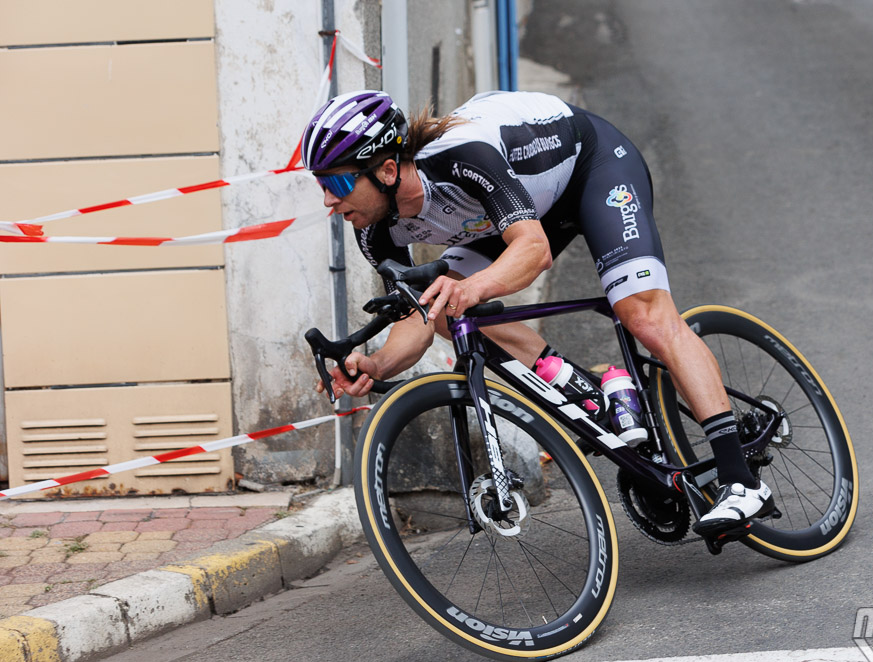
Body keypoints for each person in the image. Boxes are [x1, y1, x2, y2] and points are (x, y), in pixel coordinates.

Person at [302, 90, 773, 534]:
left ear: (387, 170)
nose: (328, 199)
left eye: (338, 182)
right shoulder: (375, 232)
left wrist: (475, 287)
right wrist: (377, 364)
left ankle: (740, 481)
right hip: (515, 208)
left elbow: (533, 249)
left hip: (591, 168)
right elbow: (416, 318)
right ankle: (586, 390)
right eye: (322, 184)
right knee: (443, 307)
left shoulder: (461, 157)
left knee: (645, 315)